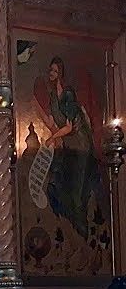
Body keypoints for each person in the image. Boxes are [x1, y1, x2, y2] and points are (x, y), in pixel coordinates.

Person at [40, 56, 103, 239]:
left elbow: (68, 127)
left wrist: (52, 138)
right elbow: (53, 121)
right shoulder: (53, 96)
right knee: (61, 185)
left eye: (55, 71)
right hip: (68, 146)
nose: (51, 73)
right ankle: (72, 230)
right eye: (50, 70)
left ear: (60, 74)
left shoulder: (68, 94)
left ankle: (82, 231)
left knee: (77, 189)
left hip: (80, 145)